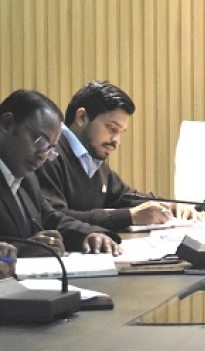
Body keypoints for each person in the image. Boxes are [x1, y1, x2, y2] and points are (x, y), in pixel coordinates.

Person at [36, 81, 205, 232]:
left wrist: (170, 206)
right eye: (112, 128)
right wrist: (130, 217)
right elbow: (54, 217)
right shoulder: (48, 154)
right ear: (81, 117)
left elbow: (126, 197)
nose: (116, 140)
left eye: (121, 132)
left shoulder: (91, 158)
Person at [0, 89, 121, 256]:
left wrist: (90, 235)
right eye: (40, 142)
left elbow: (52, 218)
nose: (42, 155)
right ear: (7, 124)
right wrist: (21, 251)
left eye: (50, 149)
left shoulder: (27, 179)